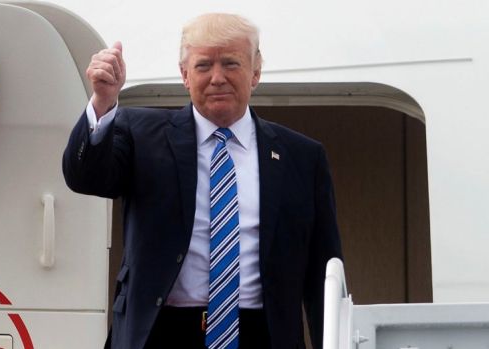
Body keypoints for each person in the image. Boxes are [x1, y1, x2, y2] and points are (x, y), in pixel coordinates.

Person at [63, 13, 342, 349]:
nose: (217, 77)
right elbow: (84, 177)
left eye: (231, 63)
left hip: (262, 332)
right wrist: (104, 102)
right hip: (163, 332)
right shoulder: (142, 134)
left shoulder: (302, 156)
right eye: (203, 66)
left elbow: (325, 274)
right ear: (184, 75)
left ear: (255, 72)